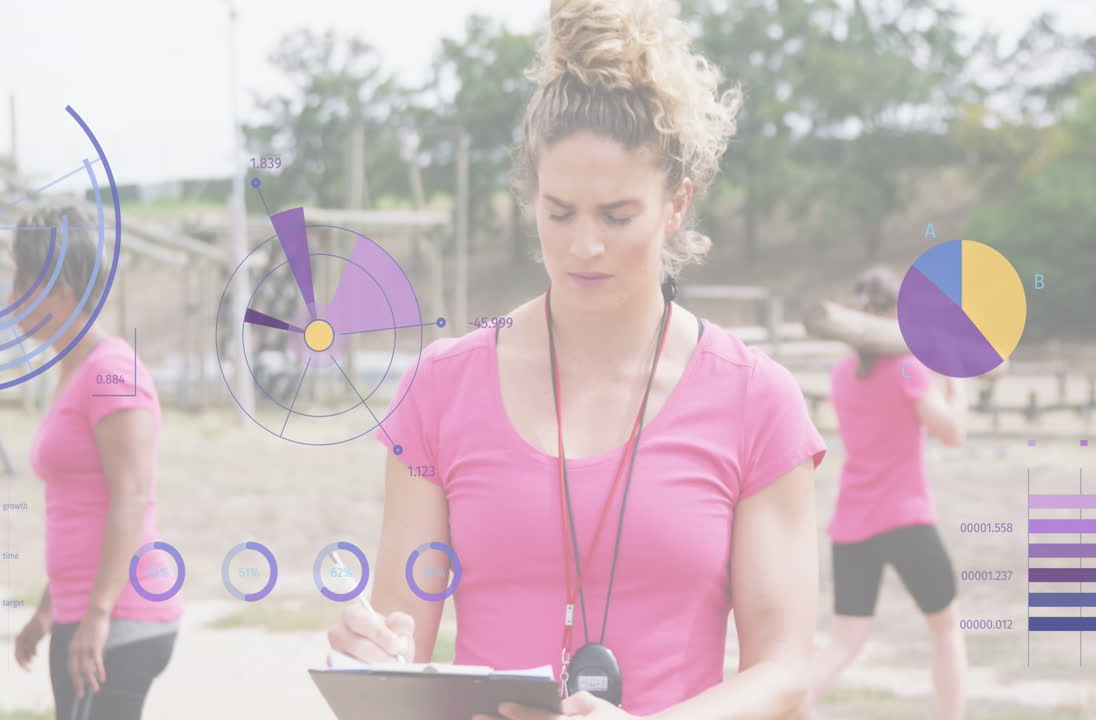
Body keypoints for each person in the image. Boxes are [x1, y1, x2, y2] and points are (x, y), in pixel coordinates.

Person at [327, 1, 827, 718]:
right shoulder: (440, 387)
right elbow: (402, 649)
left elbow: (785, 675)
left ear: (677, 204)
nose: (584, 246)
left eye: (617, 216)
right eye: (559, 212)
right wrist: (376, 662)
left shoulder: (757, 400)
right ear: (531, 196)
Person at [8, 207, 181, 720]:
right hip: (83, 610)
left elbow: (131, 496)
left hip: (119, 617)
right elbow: (81, 505)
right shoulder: (76, 371)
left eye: (22, 281)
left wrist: (98, 615)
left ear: (62, 292)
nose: (10, 297)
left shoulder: (111, 371)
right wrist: (47, 610)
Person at [810, 267, 969, 719]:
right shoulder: (907, 367)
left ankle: (781, 711)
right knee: (946, 629)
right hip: (905, 520)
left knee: (843, 644)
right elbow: (953, 433)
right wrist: (956, 379)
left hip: (852, 523)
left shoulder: (842, 373)